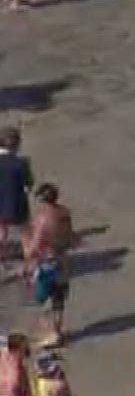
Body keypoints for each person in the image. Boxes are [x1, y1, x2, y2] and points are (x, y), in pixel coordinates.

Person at [24, 185, 71, 349]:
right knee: (59, 299)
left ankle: (49, 334)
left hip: (47, 262)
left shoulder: (42, 218)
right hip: (62, 259)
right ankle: (57, 332)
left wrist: (28, 254)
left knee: (43, 299)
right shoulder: (64, 212)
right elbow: (70, 236)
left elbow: (35, 245)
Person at [0, 130, 32, 281]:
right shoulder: (21, 163)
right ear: (17, 145)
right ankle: (28, 267)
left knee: (1, 233)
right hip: (17, 206)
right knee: (26, 236)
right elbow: (28, 186)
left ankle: (2, 264)